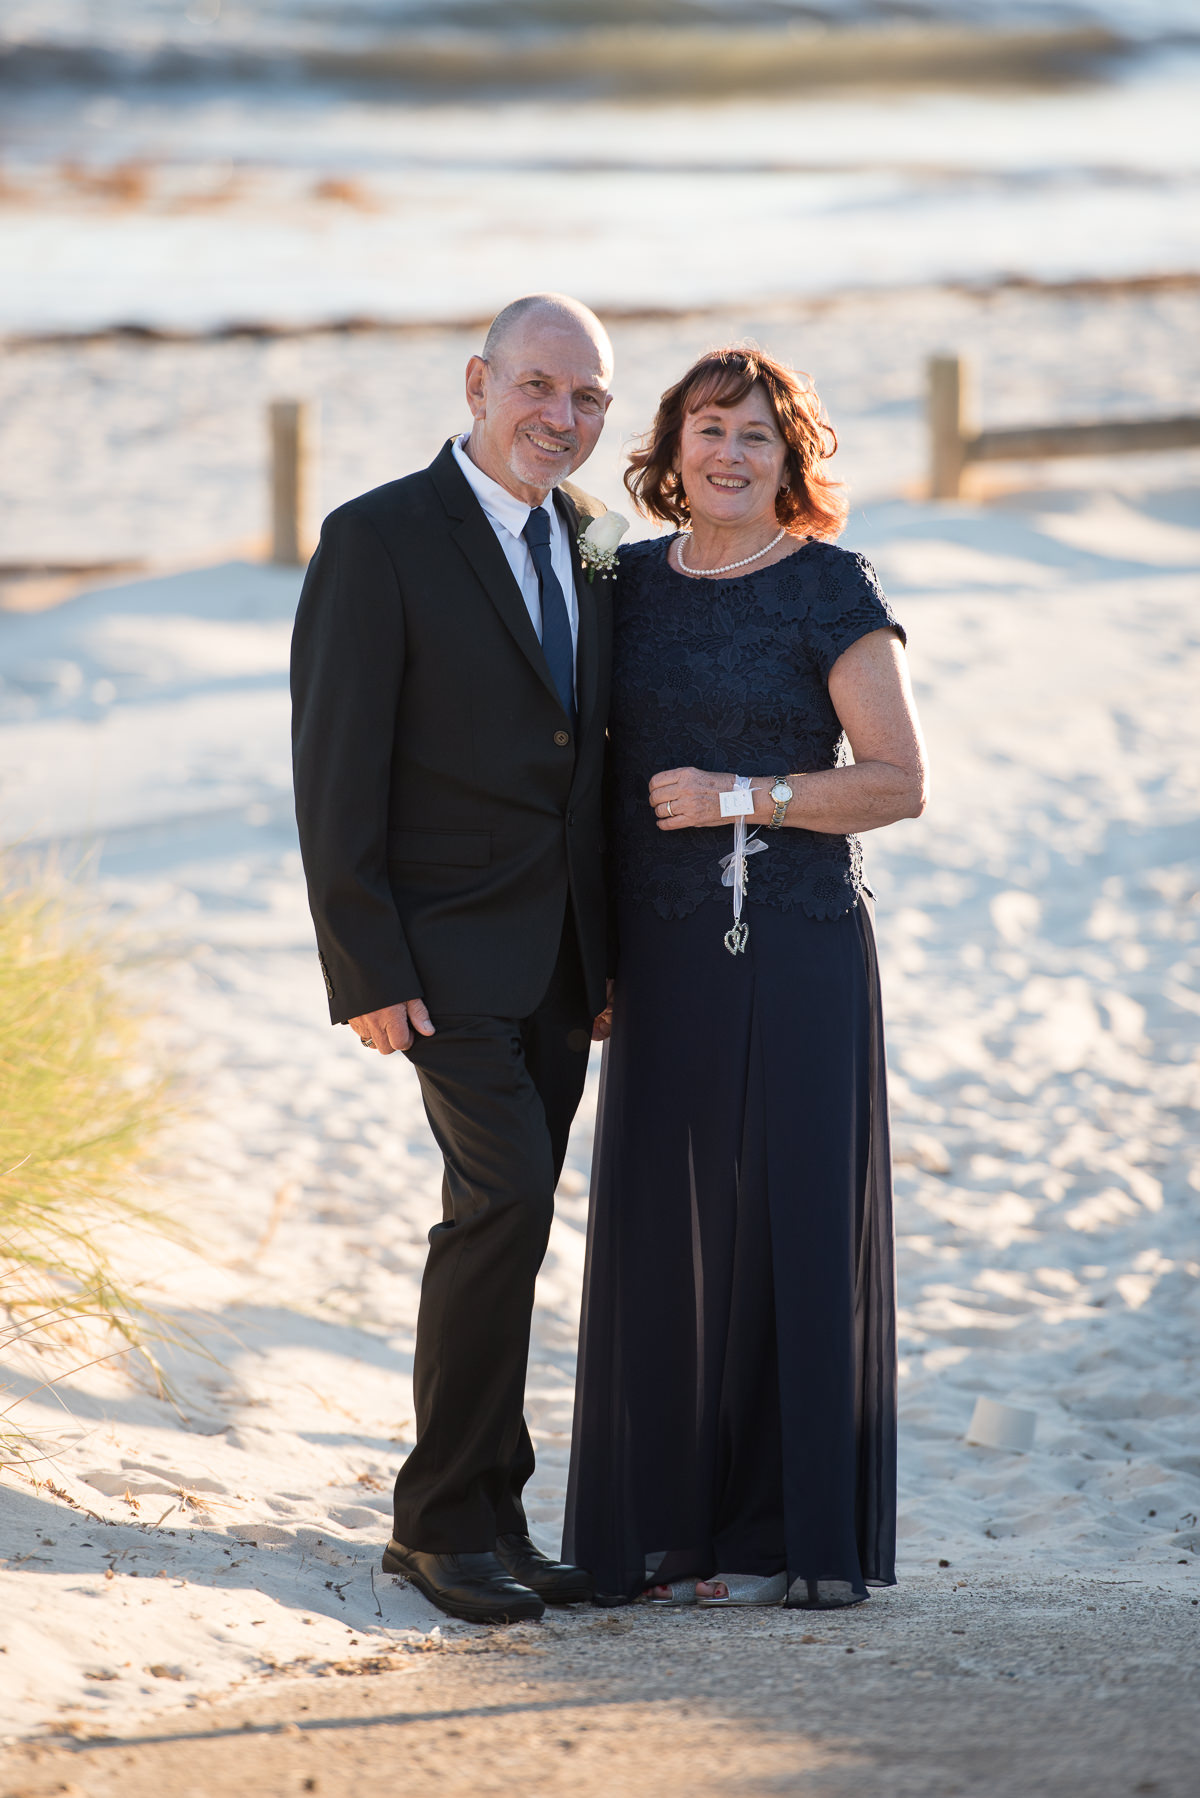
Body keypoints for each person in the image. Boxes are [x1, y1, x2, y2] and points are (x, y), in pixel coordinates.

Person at [564, 346, 928, 1610]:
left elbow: (896, 779)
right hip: (657, 955)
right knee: (665, 1234)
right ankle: (667, 1532)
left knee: (792, 1222)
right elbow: (591, 783)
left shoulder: (832, 586)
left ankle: (786, 1533)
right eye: (710, 427)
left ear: (793, 463)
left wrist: (744, 800)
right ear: (668, 449)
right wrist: (592, 956)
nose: (731, 452)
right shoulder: (620, 583)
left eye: (759, 436)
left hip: (799, 940)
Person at [291, 293, 616, 1626]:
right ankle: (433, 1522)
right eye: (541, 385)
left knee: (513, 1221)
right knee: (505, 1202)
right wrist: (362, 958)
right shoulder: (376, 538)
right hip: (434, 952)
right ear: (480, 380)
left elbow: (582, 763)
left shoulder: (595, 546)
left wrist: (608, 957)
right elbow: (332, 761)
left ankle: (495, 1511)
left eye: (589, 399)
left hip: (560, 957)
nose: (562, 416)